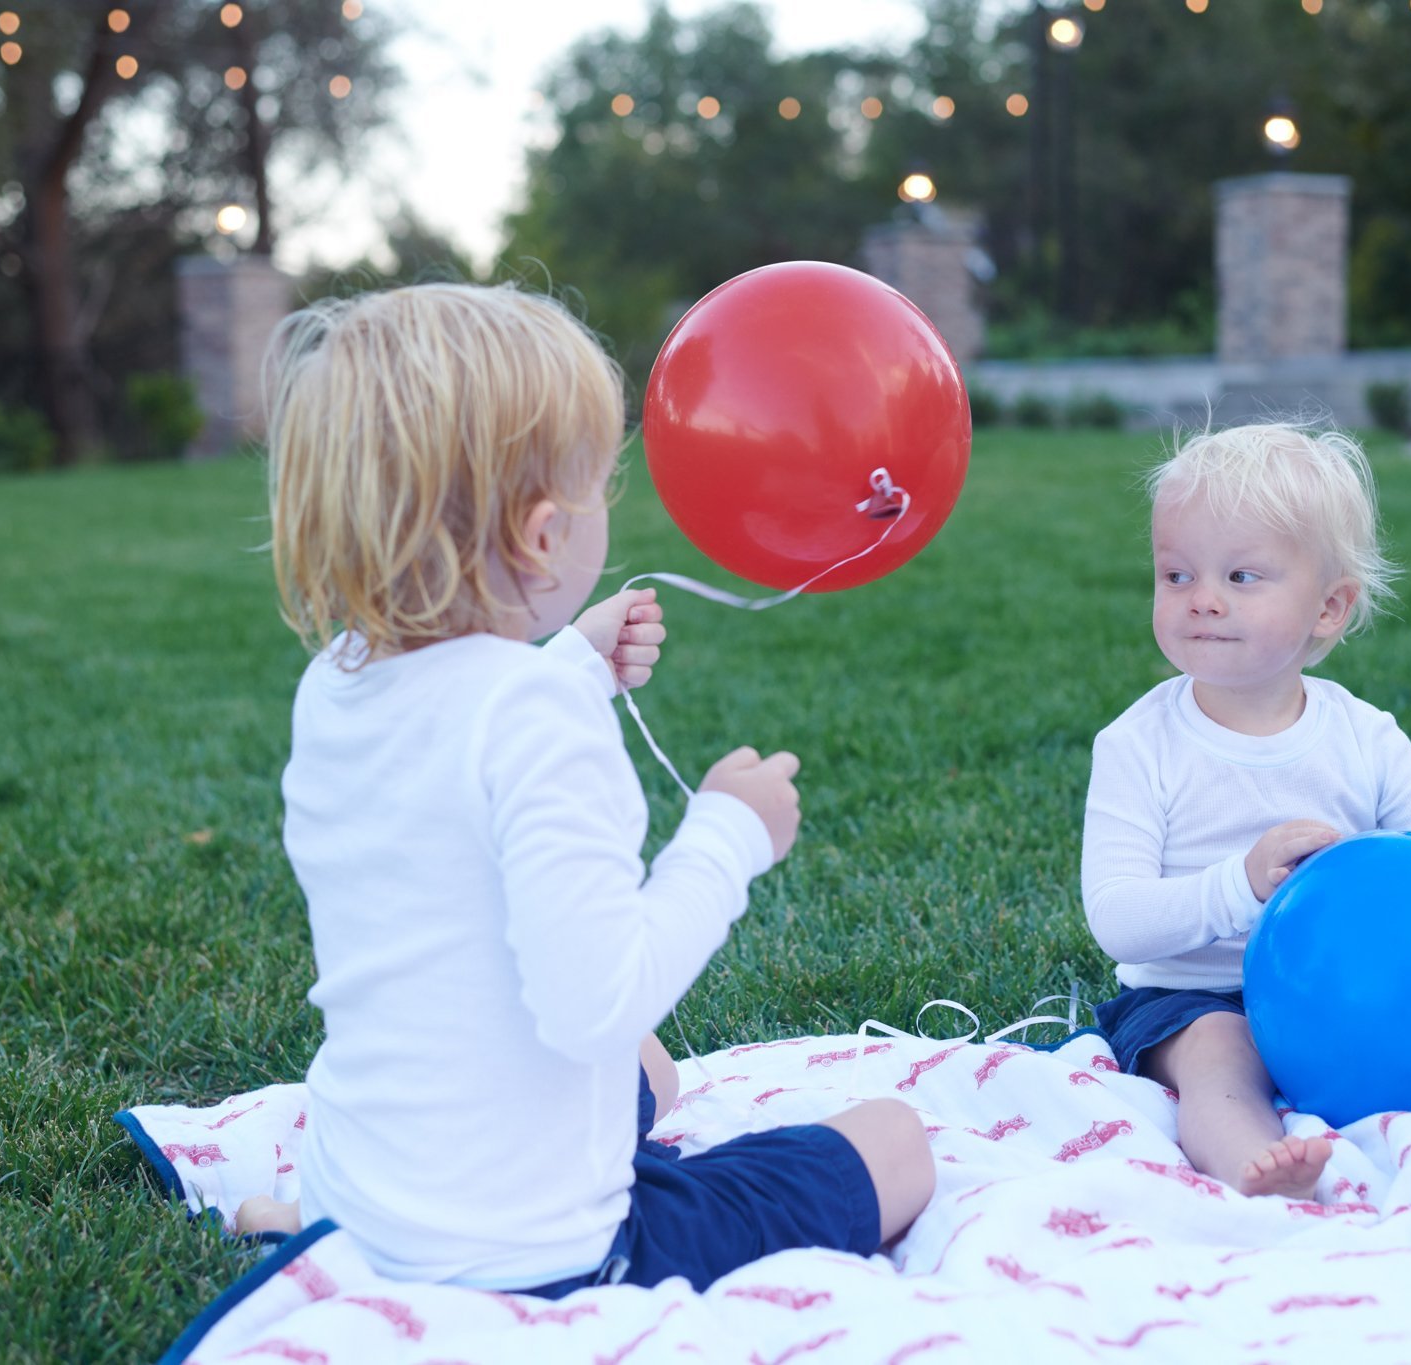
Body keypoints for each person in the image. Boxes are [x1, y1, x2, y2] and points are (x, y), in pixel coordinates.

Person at [232, 282, 933, 1295]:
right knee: (896, 1142)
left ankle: (310, 1222)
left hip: (373, 1190)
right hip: (541, 1251)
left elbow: (453, 766)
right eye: (604, 485)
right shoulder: (532, 720)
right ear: (542, 535)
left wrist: (568, 663)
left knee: (653, 1073)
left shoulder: (338, 679)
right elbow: (594, 1010)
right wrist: (729, 834)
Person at [1080, 422, 1411, 1199]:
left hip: (1343, 982)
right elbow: (1117, 919)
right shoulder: (1137, 745)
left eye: (1242, 576)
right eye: (1177, 575)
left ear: (1329, 607)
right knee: (1222, 1062)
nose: (1204, 600)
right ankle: (1255, 1164)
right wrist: (1240, 884)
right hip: (1193, 994)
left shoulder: (1363, 737)